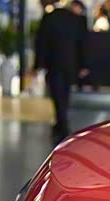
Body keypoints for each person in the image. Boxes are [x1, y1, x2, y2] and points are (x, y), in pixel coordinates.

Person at [33, 0, 89, 143]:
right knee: (65, 93)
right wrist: (83, 65)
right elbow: (82, 43)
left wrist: (38, 64)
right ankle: (60, 124)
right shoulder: (76, 19)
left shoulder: (49, 18)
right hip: (70, 62)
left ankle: (62, 125)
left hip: (54, 63)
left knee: (56, 94)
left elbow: (41, 42)